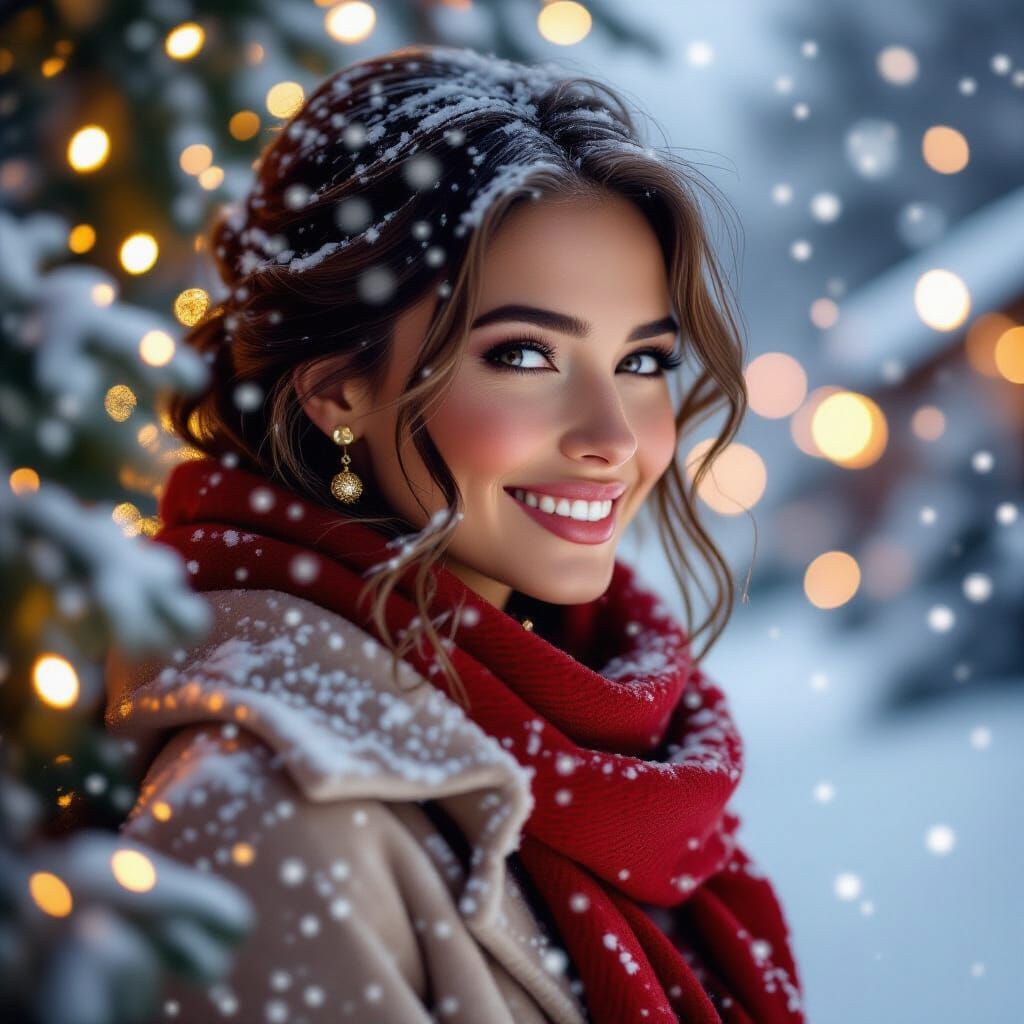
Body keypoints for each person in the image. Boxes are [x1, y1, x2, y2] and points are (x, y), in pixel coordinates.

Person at [105, 43, 806, 1023]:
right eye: (523, 354)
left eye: (643, 360)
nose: (612, 437)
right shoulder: (265, 826)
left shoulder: (617, 742)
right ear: (337, 386)